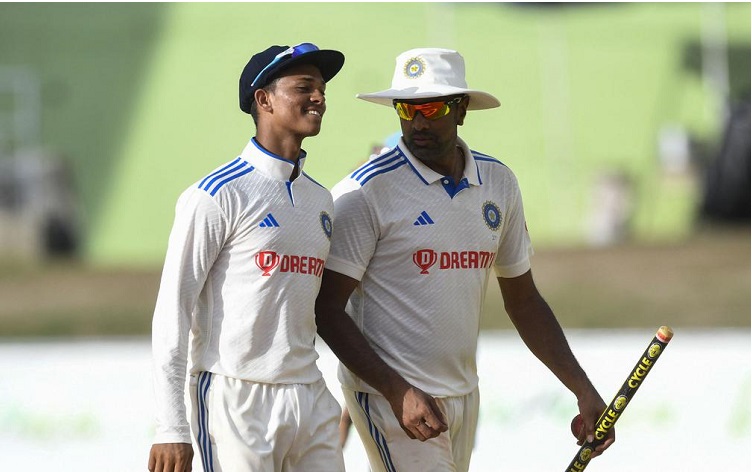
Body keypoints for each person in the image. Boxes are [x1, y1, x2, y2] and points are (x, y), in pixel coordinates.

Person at [315, 47, 615, 472]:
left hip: (463, 394)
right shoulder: (363, 193)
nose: (417, 122)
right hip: (389, 398)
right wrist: (397, 391)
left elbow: (524, 301)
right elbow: (326, 310)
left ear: (461, 110)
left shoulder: (499, 183)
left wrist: (581, 388)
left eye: (432, 108)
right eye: (406, 108)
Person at [148, 42, 348, 472]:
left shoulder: (321, 200)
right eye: (304, 87)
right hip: (235, 397)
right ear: (264, 99)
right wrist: (171, 427)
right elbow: (173, 311)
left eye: (322, 89)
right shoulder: (215, 195)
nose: (319, 98)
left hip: (309, 394)